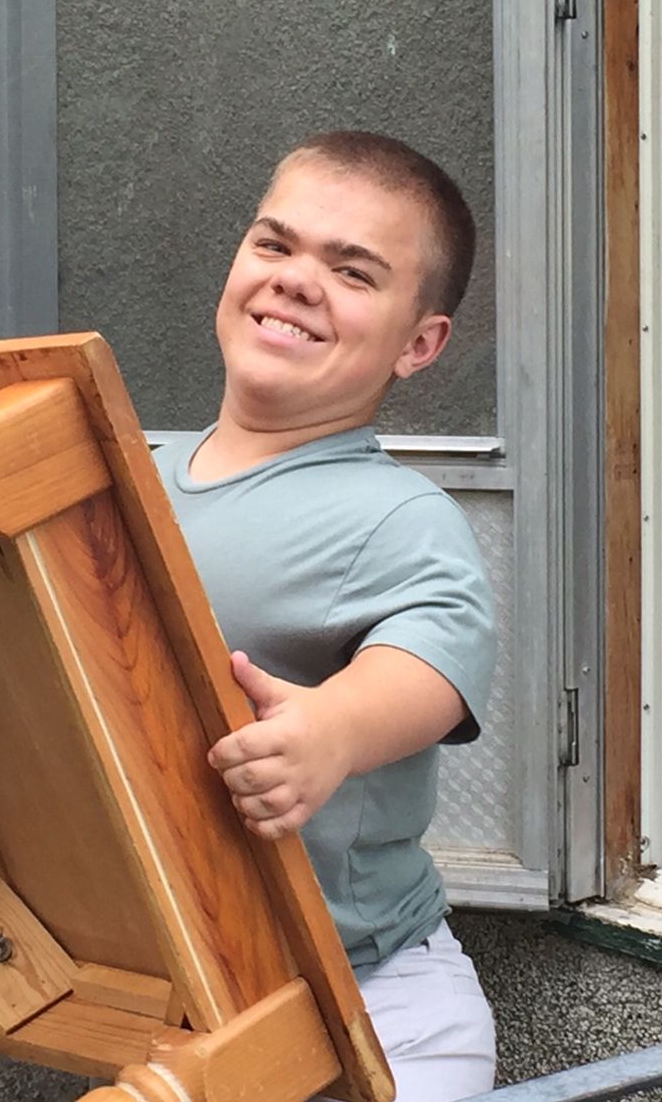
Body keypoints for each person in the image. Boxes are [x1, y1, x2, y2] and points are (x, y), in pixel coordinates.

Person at [153, 130, 497, 1102]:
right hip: (191, 983)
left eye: (351, 271)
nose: (297, 279)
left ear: (417, 342)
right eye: (275, 244)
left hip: (377, 998)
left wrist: (330, 729)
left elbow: (437, 650)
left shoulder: (397, 514)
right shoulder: (130, 476)